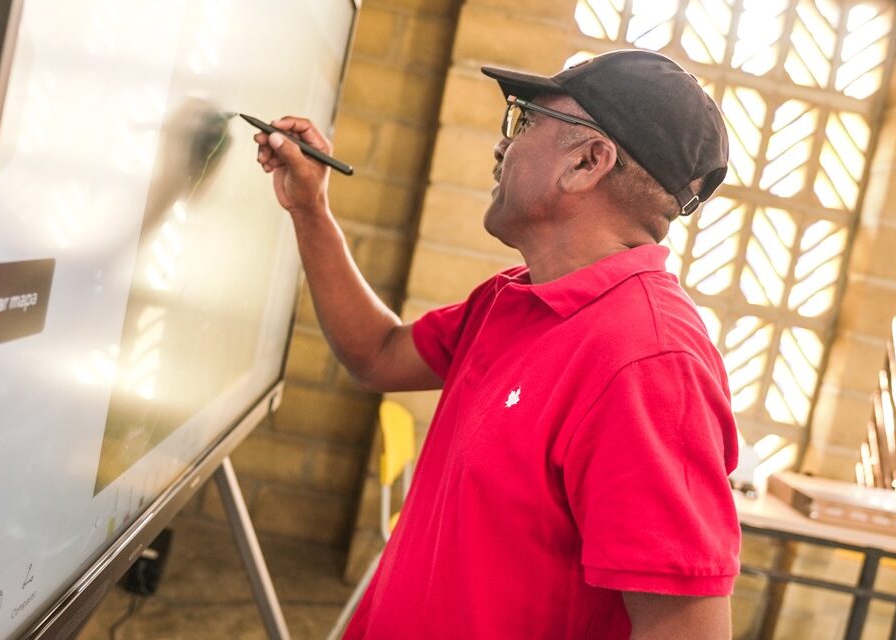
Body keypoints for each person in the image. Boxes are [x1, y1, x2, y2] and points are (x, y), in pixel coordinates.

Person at [253, 49, 740, 640]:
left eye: (525, 121)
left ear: (588, 162)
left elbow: (684, 631)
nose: (502, 145)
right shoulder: (515, 299)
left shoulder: (649, 363)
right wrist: (310, 208)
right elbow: (376, 353)